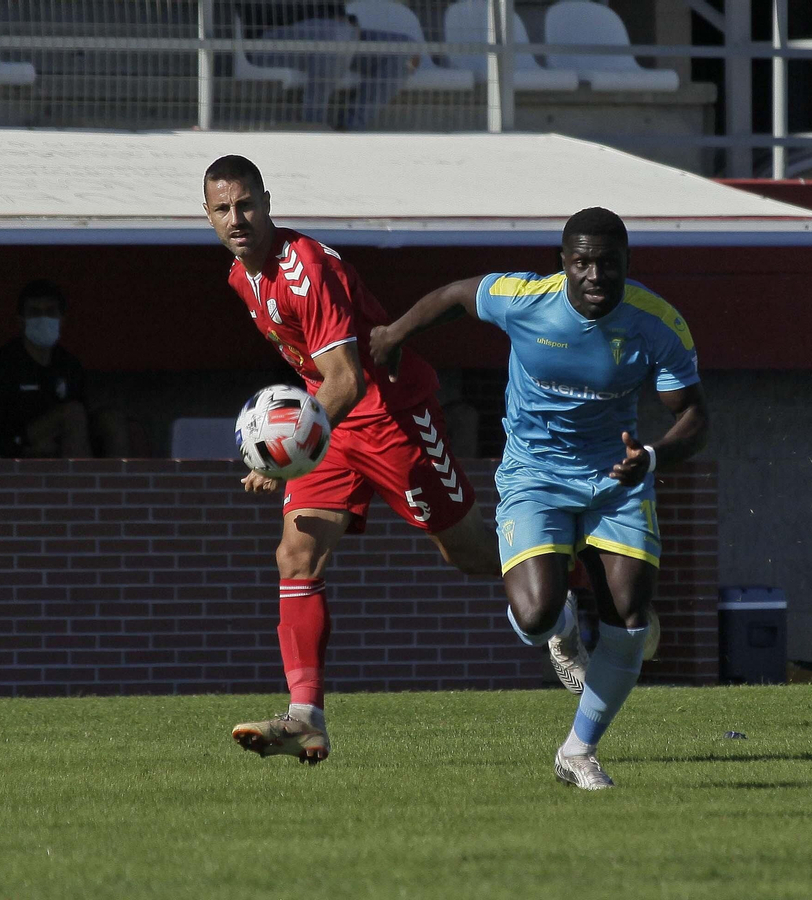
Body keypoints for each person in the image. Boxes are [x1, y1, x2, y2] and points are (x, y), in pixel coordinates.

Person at [368, 208, 708, 789]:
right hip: (534, 474)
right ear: (563, 264)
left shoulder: (658, 323)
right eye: (583, 263)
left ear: (628, 263)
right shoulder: (525, 298)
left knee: (628, 619)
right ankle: (561, 627)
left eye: (609, 263)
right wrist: (394, 334)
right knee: (534, 614)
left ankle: (578, 752)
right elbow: (455, 294)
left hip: (615, 478)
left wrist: (650, 458)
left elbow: (695, 417)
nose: (596, 275)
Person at [203, 155, 499, 764]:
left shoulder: (303, 267)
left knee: (466, 552)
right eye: (223, 209)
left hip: (389, 412)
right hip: (332, 424)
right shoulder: (241, 276)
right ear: (208, 216)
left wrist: (283, 455)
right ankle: (305, 718)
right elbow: (320, 380)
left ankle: (572, 590)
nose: (238, 218)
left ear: (267, 201)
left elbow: (345, 377)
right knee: (296, 552)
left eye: (247, 205)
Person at [0, 280, 130, 460]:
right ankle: (77, 485)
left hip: (63, 447)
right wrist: (24, 450)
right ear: (21, 321)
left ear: (62, 319)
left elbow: (82, 427)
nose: (43, 319)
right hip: (17, 448)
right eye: (35, 313)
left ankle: (117, 486)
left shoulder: (69, 365)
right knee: (71, 414)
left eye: (50, 312)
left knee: (112, 420)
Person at [233, 2, 414, 130]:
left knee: (405, 49)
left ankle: (350, 127)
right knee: (336, 33)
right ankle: (313, 122)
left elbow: (335, 11)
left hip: (335, 37)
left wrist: (348, 22)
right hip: (273, 40)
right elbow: (255, 12)